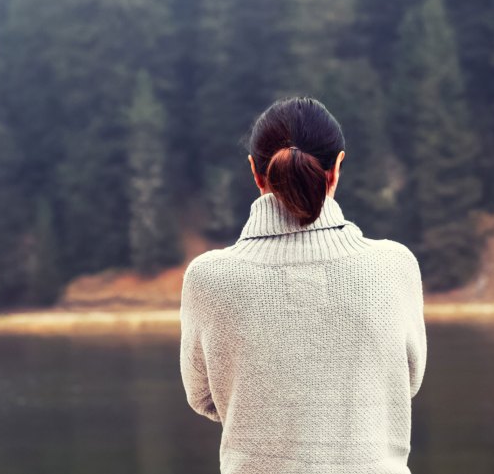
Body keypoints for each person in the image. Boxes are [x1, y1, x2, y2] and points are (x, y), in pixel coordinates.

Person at [179, 96, 427, 474]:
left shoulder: (209, 278)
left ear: (255, 171)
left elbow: (203, 398)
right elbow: (405, 382)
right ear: (337, 167)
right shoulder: (394, 265)